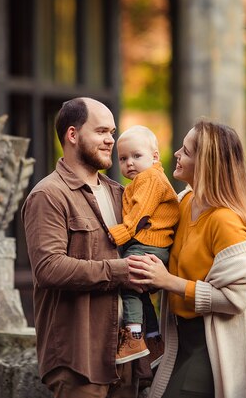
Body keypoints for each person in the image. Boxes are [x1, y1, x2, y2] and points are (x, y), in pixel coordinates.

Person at [127, 120, 246, 398]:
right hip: (179, 339)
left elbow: (235, 300)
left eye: (187, 151)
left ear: (206, 165)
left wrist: (168, 281)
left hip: (215, 344)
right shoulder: (183, 202)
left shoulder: (226, 221)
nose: (177, 154)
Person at [22, 97, 141, 398]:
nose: (110, 140)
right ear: (72, 135)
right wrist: (121, 270)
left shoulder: (121, 194)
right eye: (101, 131)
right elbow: (49, 268)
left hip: (126, 355)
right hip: (78, 359)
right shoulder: (49, 195)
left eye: (112, 132)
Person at [108, 125, 178, 367]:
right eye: (123, 158)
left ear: (155, 157)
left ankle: (133, 337)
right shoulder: (139, 181)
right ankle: (153, 339)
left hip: (148, 242)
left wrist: (117, 235)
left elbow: (140, 214)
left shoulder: (151, 179)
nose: (129, 163)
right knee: (140, 292)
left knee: (129, 285)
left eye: (137, 156)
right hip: (148, 243)